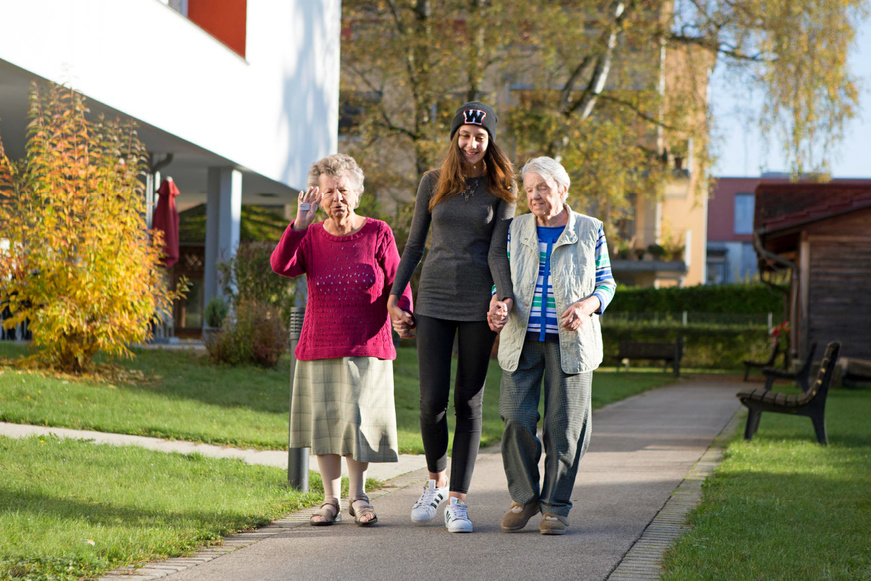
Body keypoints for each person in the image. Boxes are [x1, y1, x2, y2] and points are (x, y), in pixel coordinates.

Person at [386, 101, 516, 533]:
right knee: (430, 403)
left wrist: (503, 297)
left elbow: (499, 251)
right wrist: (395, 296)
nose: (471, 143)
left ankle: (458, 499)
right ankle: (436, 480)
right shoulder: (432, 182)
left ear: (490, 141)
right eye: (464, 135)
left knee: (468, 401)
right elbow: (414, 246)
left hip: (477, 305)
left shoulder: (502, 190)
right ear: (455, 137)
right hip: (434, 300)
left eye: (480, 137)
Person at [271, 153, 413, 527]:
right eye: (329, 191)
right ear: (318, 196)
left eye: (343, 190)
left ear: (357, 192)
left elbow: (398, 279)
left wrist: (402, 311)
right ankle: (330, 500)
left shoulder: (378, 232)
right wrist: (299, 224)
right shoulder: (312, 236)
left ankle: (359, 496)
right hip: (320, 344)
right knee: (326, 425)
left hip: (367, 344)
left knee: (357, 424)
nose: (337, 198)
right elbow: (281, 266)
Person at [488, 156, 615, 535]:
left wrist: (586, 306)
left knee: (565, 427)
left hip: (571, 343)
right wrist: (499, 302)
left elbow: (606, 284)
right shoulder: (514, 229)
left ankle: (555, 507)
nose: (535, 196)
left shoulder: (591, 230)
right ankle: (524, 498)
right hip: (521, 339)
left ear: (563, 189)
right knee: (515, 418)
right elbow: (502, 279)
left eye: (542, 187)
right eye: (529, 189)